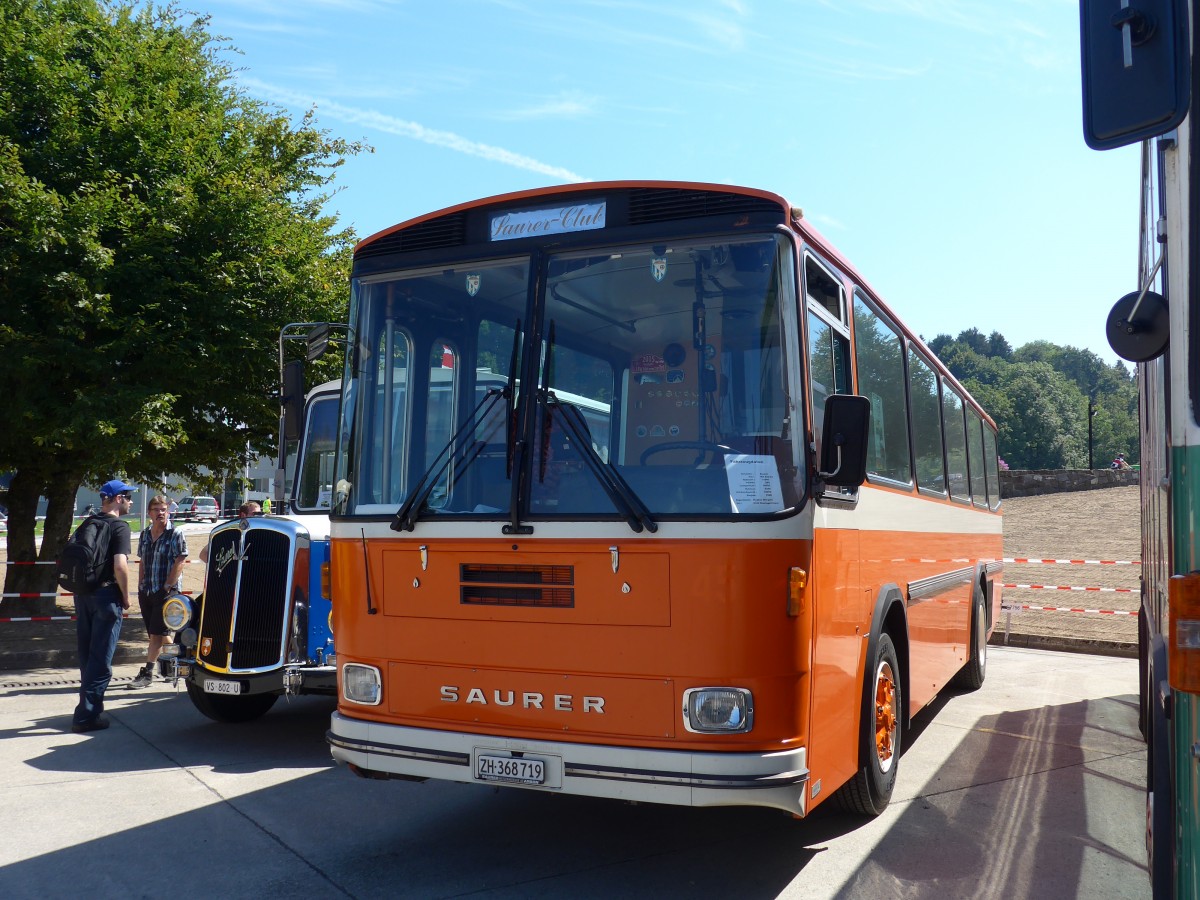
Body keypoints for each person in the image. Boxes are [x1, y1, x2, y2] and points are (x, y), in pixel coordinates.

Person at [70, 479, 135, 733]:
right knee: (101, 659)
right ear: (118, 498)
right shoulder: (120, 527)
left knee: (87, 655)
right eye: (128, 497)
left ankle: (89, 708)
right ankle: (86, 716)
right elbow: (120, 565)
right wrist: (126, 596)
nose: (130, 501)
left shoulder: (88, 522)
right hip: (107, 598)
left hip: (83, 595)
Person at [129, 495, 189, 689]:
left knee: (156, 635)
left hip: (166, 592)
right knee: (159, 633)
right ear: (149, 513)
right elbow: (143, 562)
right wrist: (140, 585)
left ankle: (147, 673)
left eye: (163, 509)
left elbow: (180, 561)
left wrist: (168, 586)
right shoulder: (145, 534)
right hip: (147, 590)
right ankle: (173, 666)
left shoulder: (175, 533)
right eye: (156, 510)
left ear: (168, 511)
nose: (160, 513)